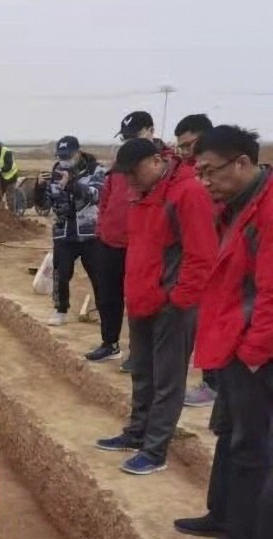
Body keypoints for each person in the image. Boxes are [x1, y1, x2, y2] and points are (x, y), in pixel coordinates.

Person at [178, 126, 272, 539]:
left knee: (252, 446)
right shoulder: (234, 206)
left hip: (255, 352)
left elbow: (270, 292)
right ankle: (221, 515)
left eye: (210, 171)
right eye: (198, 172)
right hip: (232, 341)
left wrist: (254, 352)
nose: (204, 181)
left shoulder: (267, 211)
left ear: (243, 163)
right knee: (228, 435)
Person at [96, 138, 217, 475]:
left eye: (133, 173)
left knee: (167, 380)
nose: (128, 181)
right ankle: (137, 433)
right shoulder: (141, 193)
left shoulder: (187, 193)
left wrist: (176, 300)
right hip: (142, 299)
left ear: (154, 161)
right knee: (142, 373)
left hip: (170, 307)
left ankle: (155, 450)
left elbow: (201, 255)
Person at [91, 112, 158, 367]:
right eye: (126, 138)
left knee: (138, 301)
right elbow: (106, 197)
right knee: (108, 296)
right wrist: (101, 230)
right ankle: (110, 343)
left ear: (150, 131)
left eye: (134, 135)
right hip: (109, 241)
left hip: (138, 246)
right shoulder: (120, 163)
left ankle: (139, 354)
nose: (129, 141)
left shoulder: (158, 165)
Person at [173, 114, 219, 407]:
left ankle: (213, 384)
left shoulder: (216, 176)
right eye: (182, 146)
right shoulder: (190, 174)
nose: (186, 151)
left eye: (190, 144)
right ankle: (212, 381)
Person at [46, 136, 105, 327]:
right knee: (61, 273)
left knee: (99, 275)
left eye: (68, 156)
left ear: (78, 153)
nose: (64, 160)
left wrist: (71, 185)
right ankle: (60, 309)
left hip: (90, 232)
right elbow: (49, 202)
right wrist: (40, 191)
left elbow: (96, 194)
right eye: (61, 156)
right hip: (64, 231)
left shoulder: (96, 170)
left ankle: (104, 311)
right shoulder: (56, 172)